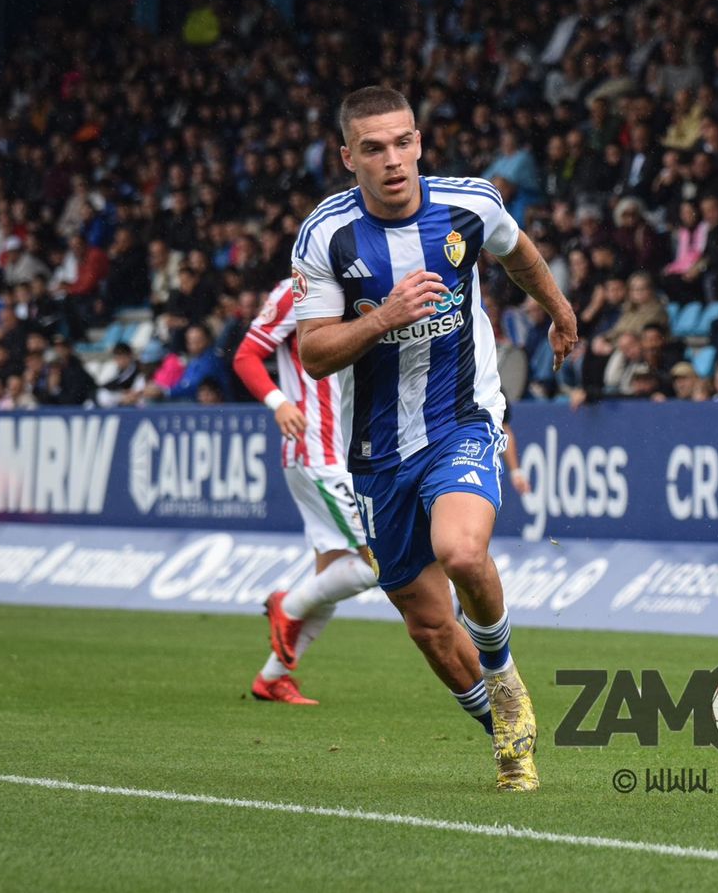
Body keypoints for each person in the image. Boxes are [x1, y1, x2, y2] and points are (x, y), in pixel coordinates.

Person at [291, 86, 578, 792]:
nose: (393, 160)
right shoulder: (326, 235)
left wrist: (559, 307)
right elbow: (316, 353)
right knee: (425, 622)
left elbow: (519, 254)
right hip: (377, 449)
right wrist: (385, 316)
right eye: (374, 148)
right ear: (348, 156)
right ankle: (504, 733)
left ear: (419, 141)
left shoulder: (470, 203)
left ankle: (504, 676)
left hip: (463, 417)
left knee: (461, 549)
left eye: (403, 142)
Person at [232, 276, 378, 707]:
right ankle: (288, 605)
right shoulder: (295, 289)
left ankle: (272, 678)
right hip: (317, 449)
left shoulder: (366, 284)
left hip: (345, 452)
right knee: (378, 562)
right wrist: (279, 403)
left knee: (332, 576)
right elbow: (245, 356)